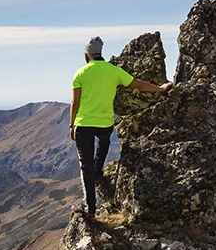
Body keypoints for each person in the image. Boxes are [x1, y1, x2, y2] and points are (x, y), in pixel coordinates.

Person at [70, 36, 172, 218]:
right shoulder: (114, 71)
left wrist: (71, 125)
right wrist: (160, 88)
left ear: (87, 54)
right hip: (105, 123)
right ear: (100, 52)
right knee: (103, 144)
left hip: (83, 124)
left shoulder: (80, 74)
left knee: (84, 164)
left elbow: (75, 102)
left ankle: (89, 207)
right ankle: (97, 173)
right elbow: (138, 84)